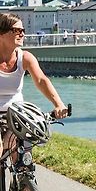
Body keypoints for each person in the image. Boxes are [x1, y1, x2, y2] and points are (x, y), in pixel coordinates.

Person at [0, 13, 68, 155]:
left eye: (23, 31)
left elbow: (41, 80)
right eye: (16, 30)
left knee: (22, 156)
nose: (22, 34)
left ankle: (23, 174)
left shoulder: (25, 57)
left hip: (17, 114)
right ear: (2, 33)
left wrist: (58, 104)